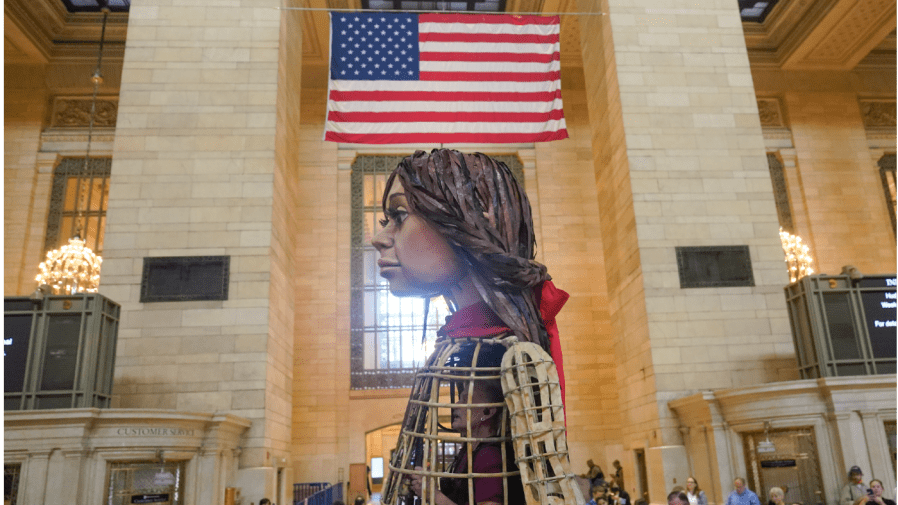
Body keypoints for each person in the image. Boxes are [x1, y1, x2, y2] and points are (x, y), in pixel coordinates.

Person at [373, 149, 580, 505]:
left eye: (400, 215)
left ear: (477, 220)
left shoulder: (514, 354)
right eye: (386, 220)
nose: (380, 238)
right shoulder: (462, 344)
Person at [408, 343, 525, 505]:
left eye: (465, 399)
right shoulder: (470, 451)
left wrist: (433, 494)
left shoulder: (490, 456)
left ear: (487, 412)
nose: (456, 405)